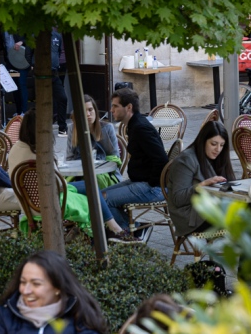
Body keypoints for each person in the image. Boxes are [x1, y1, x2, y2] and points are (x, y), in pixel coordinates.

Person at [7, 109, 124, 238]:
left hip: (28, 204)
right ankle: (112, 229)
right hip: (49, 203)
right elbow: (59, 185)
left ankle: (111, 227)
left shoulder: (16, 149)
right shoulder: (40, 154)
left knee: (89, 185)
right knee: (91, 194)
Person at [102, 88, 169, 242]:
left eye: (115, 106)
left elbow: (162, 159)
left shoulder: (140, 128)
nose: (111, 110)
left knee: (102, 200)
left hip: (152, 187)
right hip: (140, 181)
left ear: (129, 107)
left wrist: (151, 183)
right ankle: (137, 227)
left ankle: (133, 232)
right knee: (100, 195)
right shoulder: (133, 125)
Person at [166, 120, 235, 237]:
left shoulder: (219, 157)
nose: (218, 149)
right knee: (250, 214)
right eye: (213, 144)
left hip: (210, 209)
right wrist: (201, 186)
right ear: (203, 141)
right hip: (190, 217)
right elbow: (178, 199)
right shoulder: (186, 160)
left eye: (222, 145)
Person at [66, 94, 121, 182]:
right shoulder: (72, 128)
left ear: (95, 110)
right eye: (84, 111)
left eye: (90, 110)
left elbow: (115, 158)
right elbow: (69, 158)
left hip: (106, 175)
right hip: (79, 174)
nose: (88, 114)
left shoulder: (107, 128)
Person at [50, 28, 68, 137]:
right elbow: (28, 53)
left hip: (55, 71)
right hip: (41, 73)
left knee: (62, 98)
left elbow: (58, 51)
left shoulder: (57, 36)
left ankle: (62, 127)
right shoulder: (35, 35)